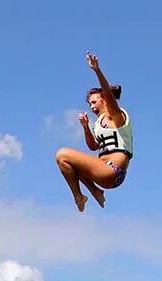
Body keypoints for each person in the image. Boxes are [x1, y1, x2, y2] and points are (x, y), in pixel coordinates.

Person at [55, 52, 134, 212]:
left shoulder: (115, 115)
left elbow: (109, 95)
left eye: (94, 102)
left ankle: (79, 196)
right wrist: (85, 127)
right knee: (67, 163)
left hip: (113, 170)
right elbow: (93, 147)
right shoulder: (99, 123)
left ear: (104, 99)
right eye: (89, 103)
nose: (91, 106)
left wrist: (97, 70)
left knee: (62, 154)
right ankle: (95, 192)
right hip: (102, 170)